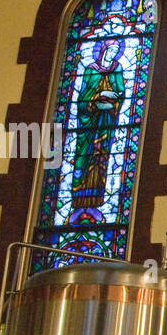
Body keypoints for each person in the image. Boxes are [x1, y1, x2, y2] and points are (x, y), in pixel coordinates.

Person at [70, 37, 125, 209]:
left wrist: (111, 100)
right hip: (89, 125)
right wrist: (95, 102)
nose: (113, 54)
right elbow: (81, 100)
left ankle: (97, 199)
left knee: (101, 158)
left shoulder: (117, 69)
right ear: (103, 51)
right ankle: (78, 198)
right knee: (83, 159)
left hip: (106, 122)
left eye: (116, 52)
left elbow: (121, 93)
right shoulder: (90, 70)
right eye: (111, 51)